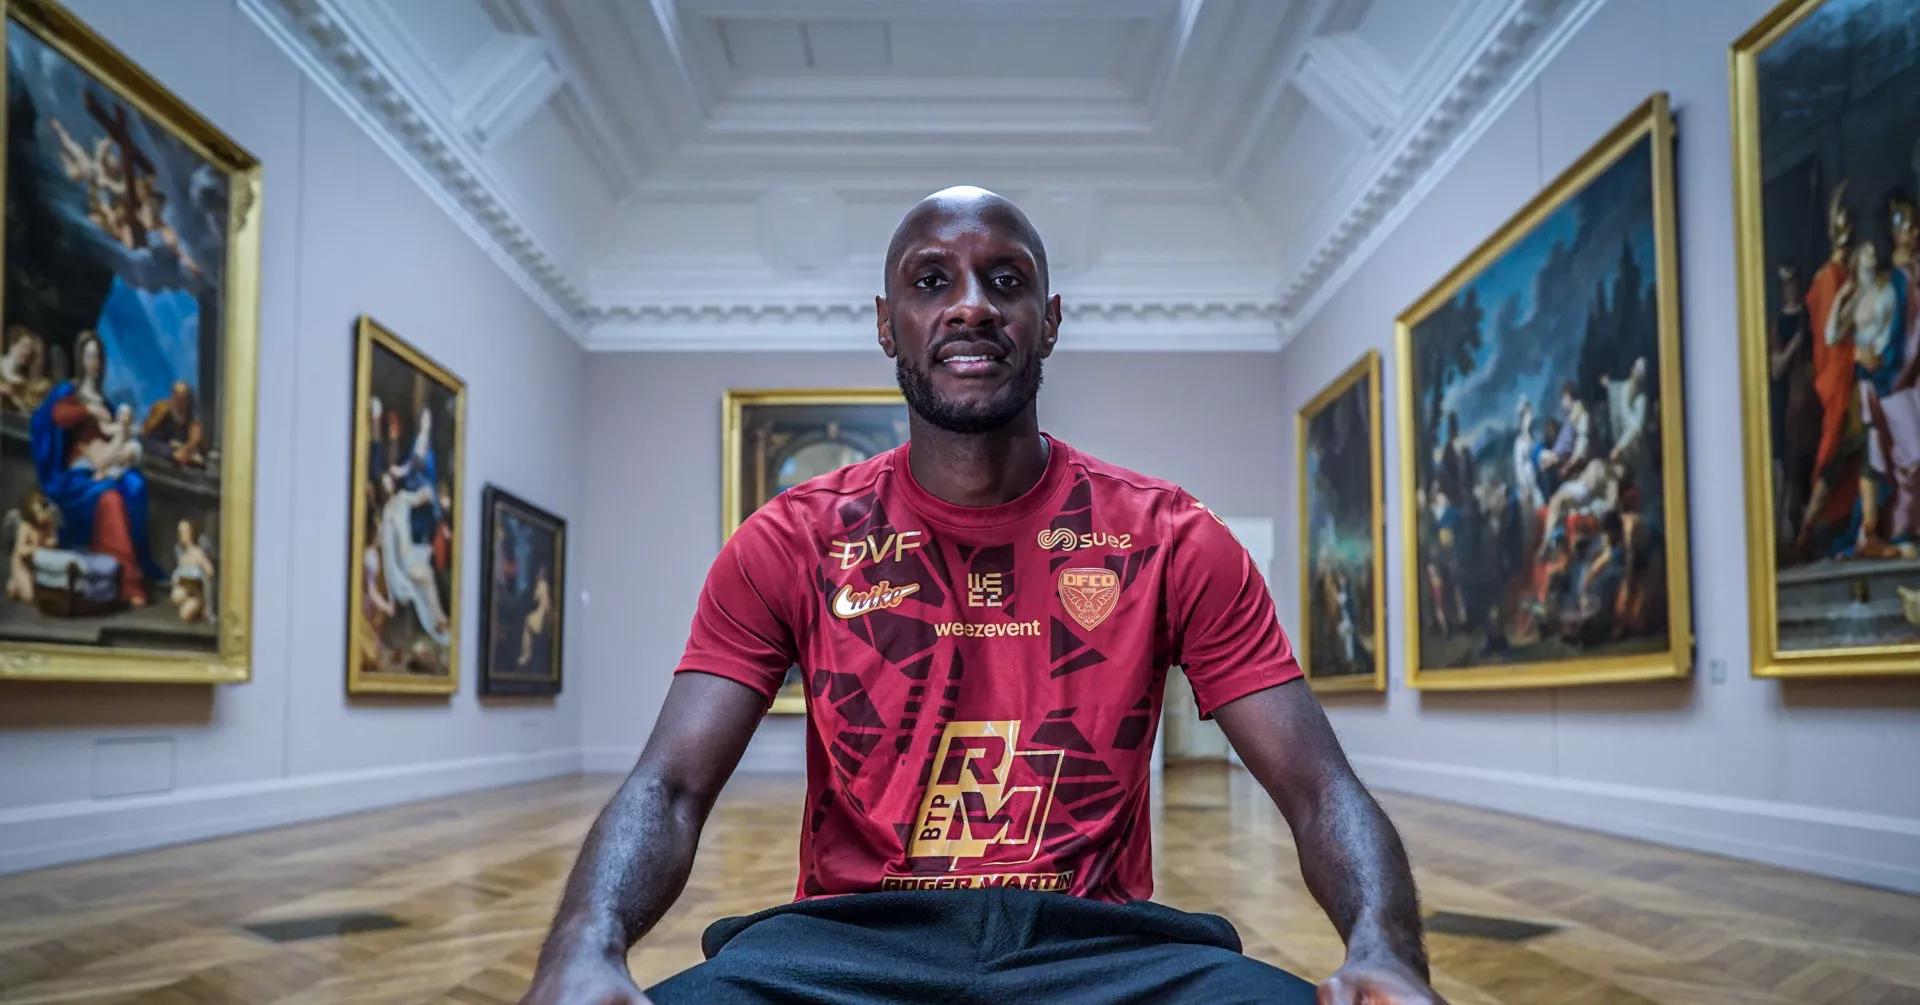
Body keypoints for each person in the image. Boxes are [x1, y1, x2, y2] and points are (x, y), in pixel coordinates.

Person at [518, 187, 1442, 1005]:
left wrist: (1386, 951)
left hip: (1100, 949)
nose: (971, 305)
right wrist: (581, 947)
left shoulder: (1171, 536)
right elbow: (671, 786)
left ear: (1050, 320)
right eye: (932, 282)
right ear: (888, 325)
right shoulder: (791, 539)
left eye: (1006, 281)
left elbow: (1319, 789)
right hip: (848, 948)